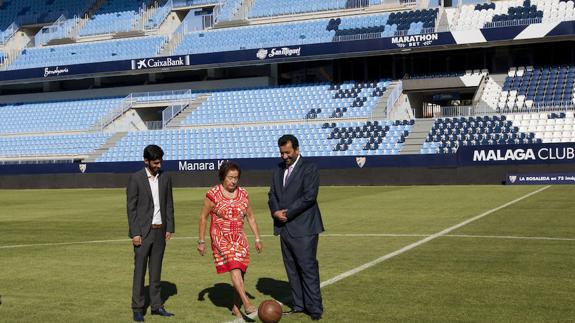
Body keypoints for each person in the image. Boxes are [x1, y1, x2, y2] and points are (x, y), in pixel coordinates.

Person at [268, 134, 325, 321]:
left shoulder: (309, 168)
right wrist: (275, 211)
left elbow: (310, 196)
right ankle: (299, 305)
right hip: (284, 229)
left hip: (304, 228)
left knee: (307, 268)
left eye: (288, 152)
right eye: (282, 153)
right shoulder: (277, 170)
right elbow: (272, 194)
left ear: (297, 150)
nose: (284, 156)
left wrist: (287, 213)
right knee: (291, 269)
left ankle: (315, 309)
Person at [197, 160, 263, 318]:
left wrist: (257, 239)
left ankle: (235, 306)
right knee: (234, 265)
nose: (233, 181)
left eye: (236, 177)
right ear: (222, 177)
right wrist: (201, 241)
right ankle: (246, 303)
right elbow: (203, 218)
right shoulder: (213, 194)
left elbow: (251, 217)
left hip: (239, 237)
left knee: (240, 271)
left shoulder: (244, 194)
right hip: (221, 237)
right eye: (230, 177)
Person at [127, 144, 175, 322]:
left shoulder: (166, 177)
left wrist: (169, 227)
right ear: (146, 161)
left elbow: (169, 203)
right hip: (142, 233)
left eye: (160, 162)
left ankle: (156, 306)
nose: (159, 165)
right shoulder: (136, 178)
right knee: (139, 272)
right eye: (155, 163)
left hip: (160, 232)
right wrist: (135, 233)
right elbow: (131, 208)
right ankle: (137, 308)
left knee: (156, 272)